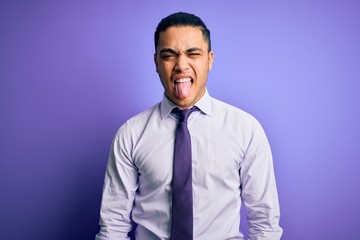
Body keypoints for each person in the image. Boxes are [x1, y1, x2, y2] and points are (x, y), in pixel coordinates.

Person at [95, 12, 283, 240]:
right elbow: (113, 226)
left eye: (193, 54)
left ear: (210, 59)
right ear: (156, 62)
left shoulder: (246, 130)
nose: (181, 65)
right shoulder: (131, 135)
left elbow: (265, 222)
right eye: (169, 55)